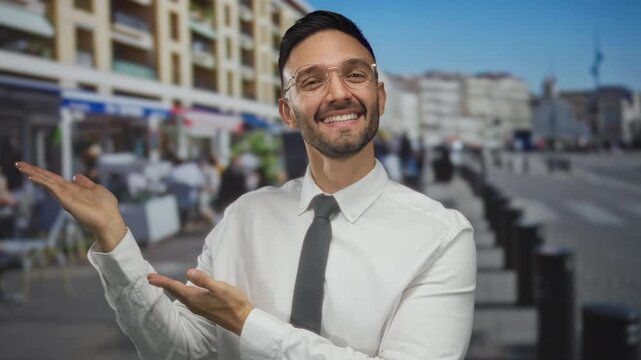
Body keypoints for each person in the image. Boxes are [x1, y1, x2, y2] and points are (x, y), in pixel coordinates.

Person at [15, 10, 476, 359]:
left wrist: (249, 323)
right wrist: (114, 236)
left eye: (355, 74)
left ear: (380, 94)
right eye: (312, 81)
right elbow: (183, 349)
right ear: (287, 111)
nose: (339, 93)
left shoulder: (440, 237)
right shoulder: (244, 216)